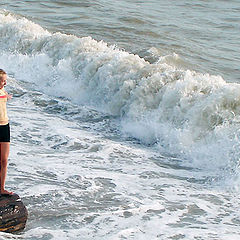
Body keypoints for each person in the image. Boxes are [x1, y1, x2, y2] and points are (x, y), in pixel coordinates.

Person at [0, 69, 13, 195]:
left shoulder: (3, 91)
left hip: (5, 126)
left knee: (4, 160)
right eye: (3, 81)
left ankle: (2, 188)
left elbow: (3, 96)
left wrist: (6, 96)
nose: (5, 83)